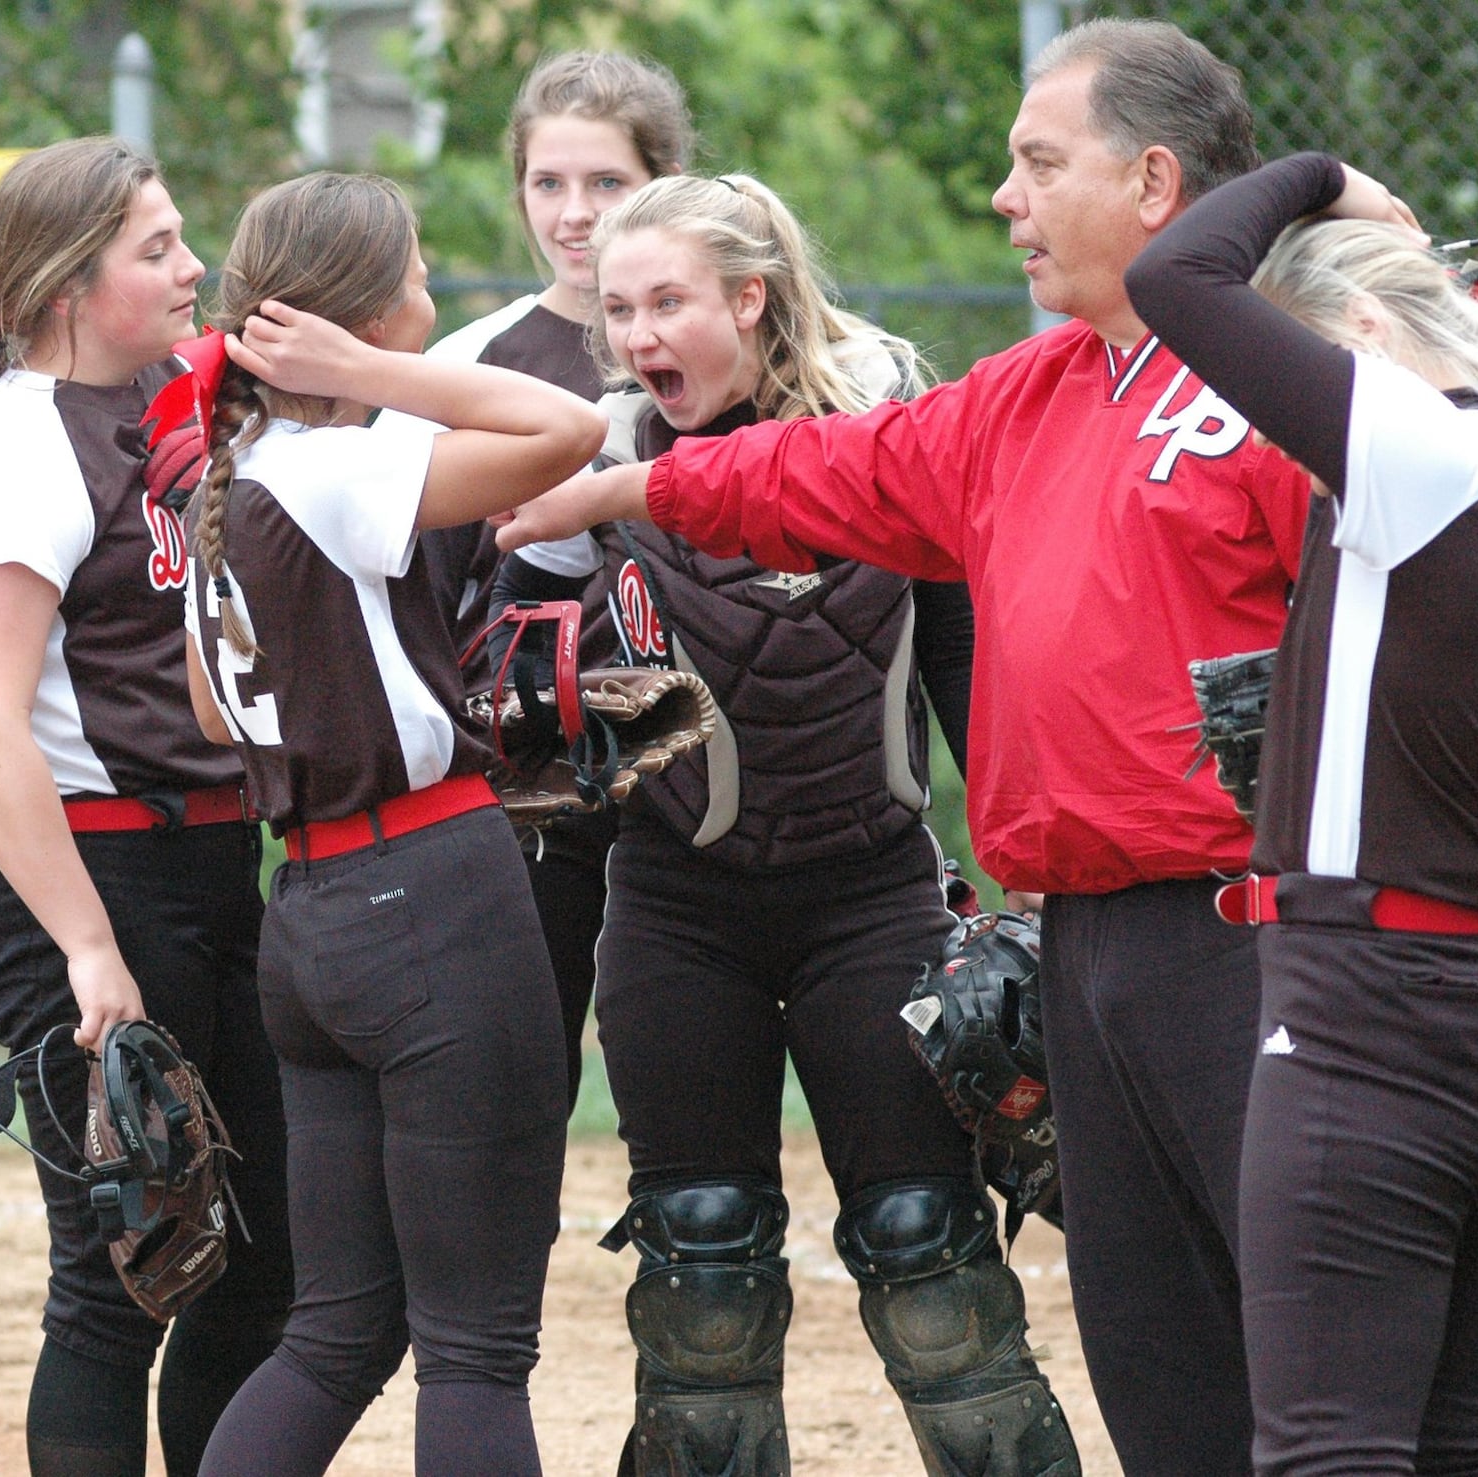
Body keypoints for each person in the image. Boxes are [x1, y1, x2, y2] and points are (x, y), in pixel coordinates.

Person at [495, 18, 1317, 1473]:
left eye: (1036, 162)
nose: (1004, 196)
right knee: (1135, 1331)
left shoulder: (1300, 367)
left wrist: (1331, 198)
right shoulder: (1033, 390)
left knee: (1266, 1328)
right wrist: (618, 495)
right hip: (1035, 935)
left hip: (1220, 922)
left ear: (1154, 183)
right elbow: (809, 471)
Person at [493, 169, 1072, 1476]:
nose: (639, 336)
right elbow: (523, 745)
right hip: (675, 910)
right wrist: (560, 709)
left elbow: (973, 669)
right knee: (701, 1267)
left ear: (751, 301)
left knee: (932, 1253)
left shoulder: (890, 432)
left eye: (670, 303)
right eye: (619, 309)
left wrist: (1029, 882)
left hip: (871, 897)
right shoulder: (602, 452)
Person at [177, 170, 606, 1476]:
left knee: (335, 1332)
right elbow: (567, 426)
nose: (432, 294)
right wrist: (380, 372)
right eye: (413, 273)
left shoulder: (236, 472)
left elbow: (212, 712)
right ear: (353, 317)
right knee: (476, 1346)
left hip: (312, 919)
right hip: (431, 897)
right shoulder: (327, 467)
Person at [0, 137, 293, 1477]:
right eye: (157, 248)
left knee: (268, 1257)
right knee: (126, 1269)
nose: (195, 268)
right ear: (71, 285)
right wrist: (86, 945)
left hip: (204, 874)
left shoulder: (158, 404)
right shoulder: (17, 439)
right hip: (80, 883)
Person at [1126, 155, 1478, 1475]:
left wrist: (1327, 179)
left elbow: (1172, 277)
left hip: (1370, 1008)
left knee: (1331, 1446)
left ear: (1373, 335)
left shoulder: (1424, 449)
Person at [411, 49, 695, 1109]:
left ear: (662, 178)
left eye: (606, 183)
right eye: (548, 183)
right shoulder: (474, 358)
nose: (574, 215)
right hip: (538, 771)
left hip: (719, 773)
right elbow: (430, 596)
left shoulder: (737, 341)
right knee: (515, 1066)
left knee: (684, 1075)